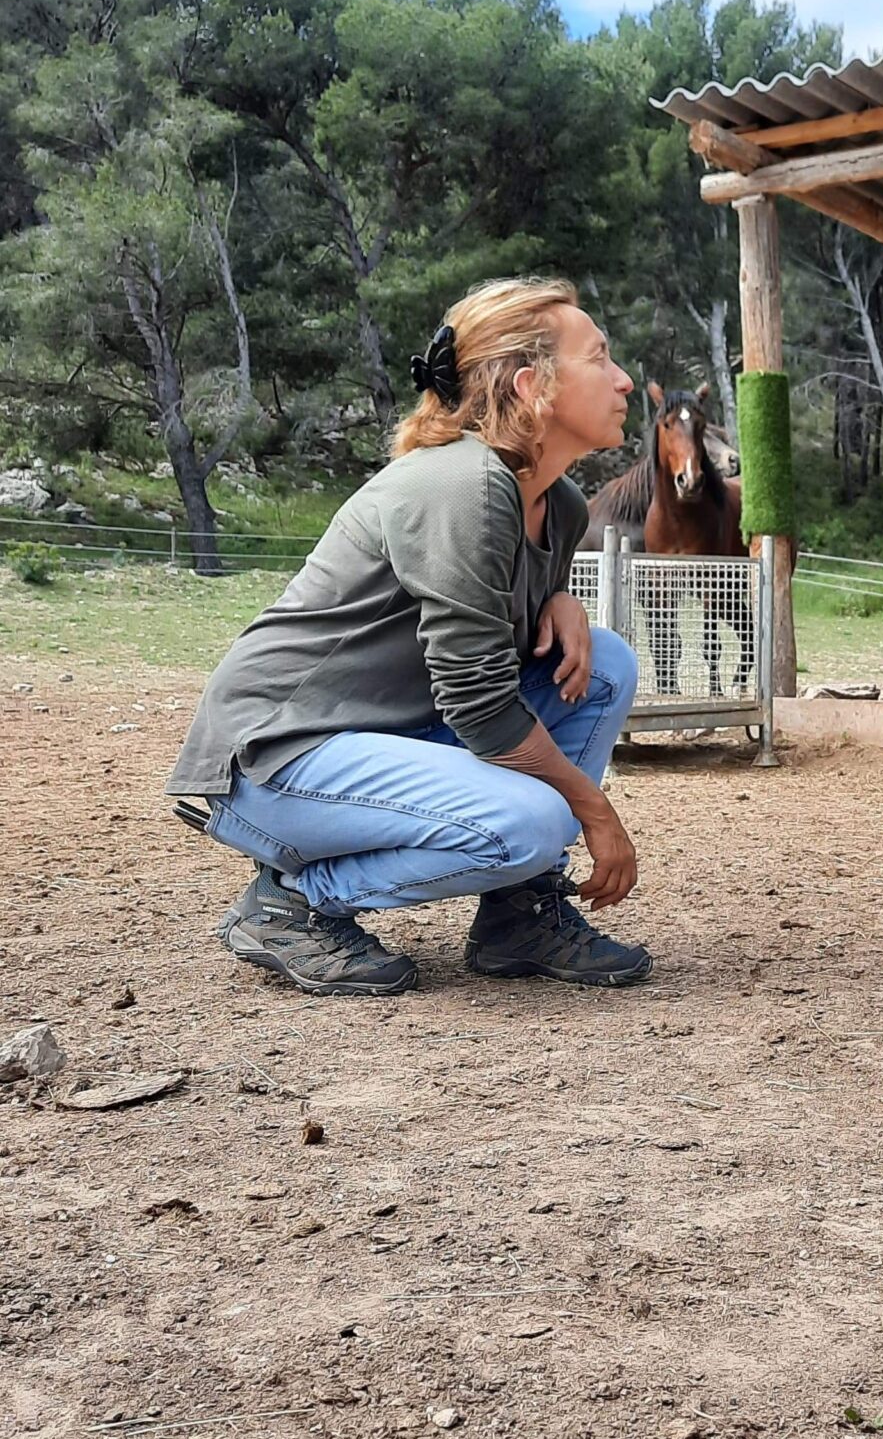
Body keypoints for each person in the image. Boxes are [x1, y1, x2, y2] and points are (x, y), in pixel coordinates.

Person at [167, 277, 652, 995]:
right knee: (531, 821)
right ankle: (293, 904)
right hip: (278, 758)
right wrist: (593, 809)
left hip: (381, 741)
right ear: (531, 386)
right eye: (599, 357)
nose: (624, 379)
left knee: (603, 663)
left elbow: (484, 630)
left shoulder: (559, 504)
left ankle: (519, 915)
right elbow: (480, 706)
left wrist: (558, 597)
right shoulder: (461, 484)